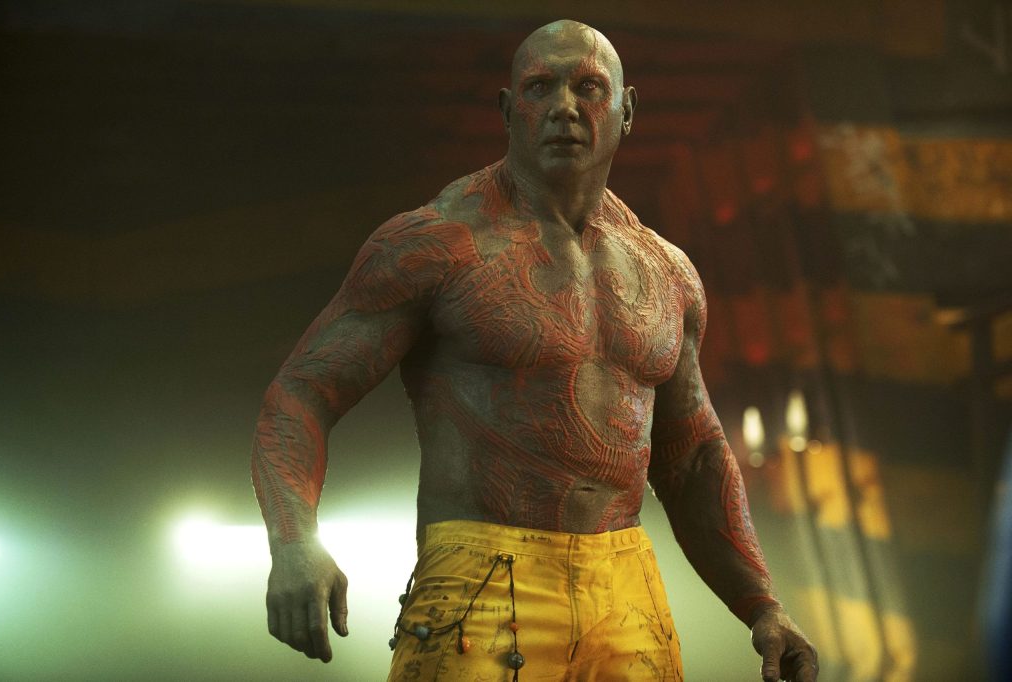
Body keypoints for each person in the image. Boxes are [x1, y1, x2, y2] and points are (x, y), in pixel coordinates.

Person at [251, 19, 818, 682]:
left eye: (589, 87)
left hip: (629, 593)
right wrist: (294, 542)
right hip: (483, 585)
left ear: (627, 110)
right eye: (540, 87)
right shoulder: (437, 242)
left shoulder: (667, 272)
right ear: (507, 109)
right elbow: (302, 394)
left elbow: (691, 457)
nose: (563, 107)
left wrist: (762, 606)